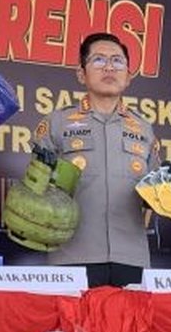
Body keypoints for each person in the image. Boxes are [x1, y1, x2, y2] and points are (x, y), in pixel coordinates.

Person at [30, 32, 159, 288]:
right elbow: (34, 191)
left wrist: (169, 186)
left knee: (129, 328)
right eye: (99, 60)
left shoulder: (144, 129)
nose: (109, 67)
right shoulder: (56, 123)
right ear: (81, 73)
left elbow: (155, 198)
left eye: (117, 61)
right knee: (75, 329)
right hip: (72, 256)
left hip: (131, 258)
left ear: (129, 76)